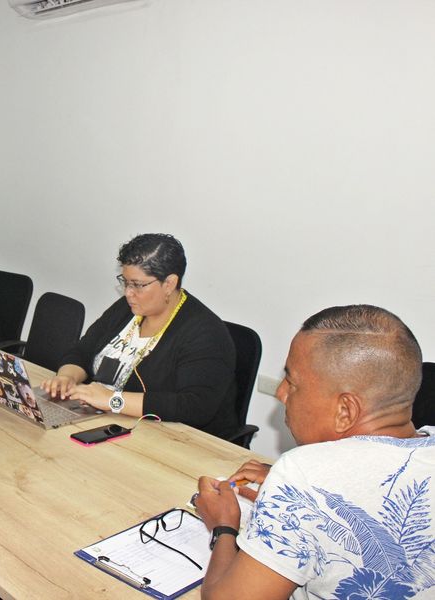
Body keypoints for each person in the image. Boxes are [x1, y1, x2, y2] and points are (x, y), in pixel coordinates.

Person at [194, 305, 435, 600]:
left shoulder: (303, 474)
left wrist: (223, 527)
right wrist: (302, 492)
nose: (281, 393)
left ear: (345, 411)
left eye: (292, 382)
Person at [42, 233, 238, 439]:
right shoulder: (128, 309)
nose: (128, 293)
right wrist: (67, 377)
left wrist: (113, 400)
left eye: (137, 284)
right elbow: (83, 351)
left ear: (169, 283)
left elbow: (195, 406)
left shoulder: (205, 332)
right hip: (108, 423)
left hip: (175, 440)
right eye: (125, 282)